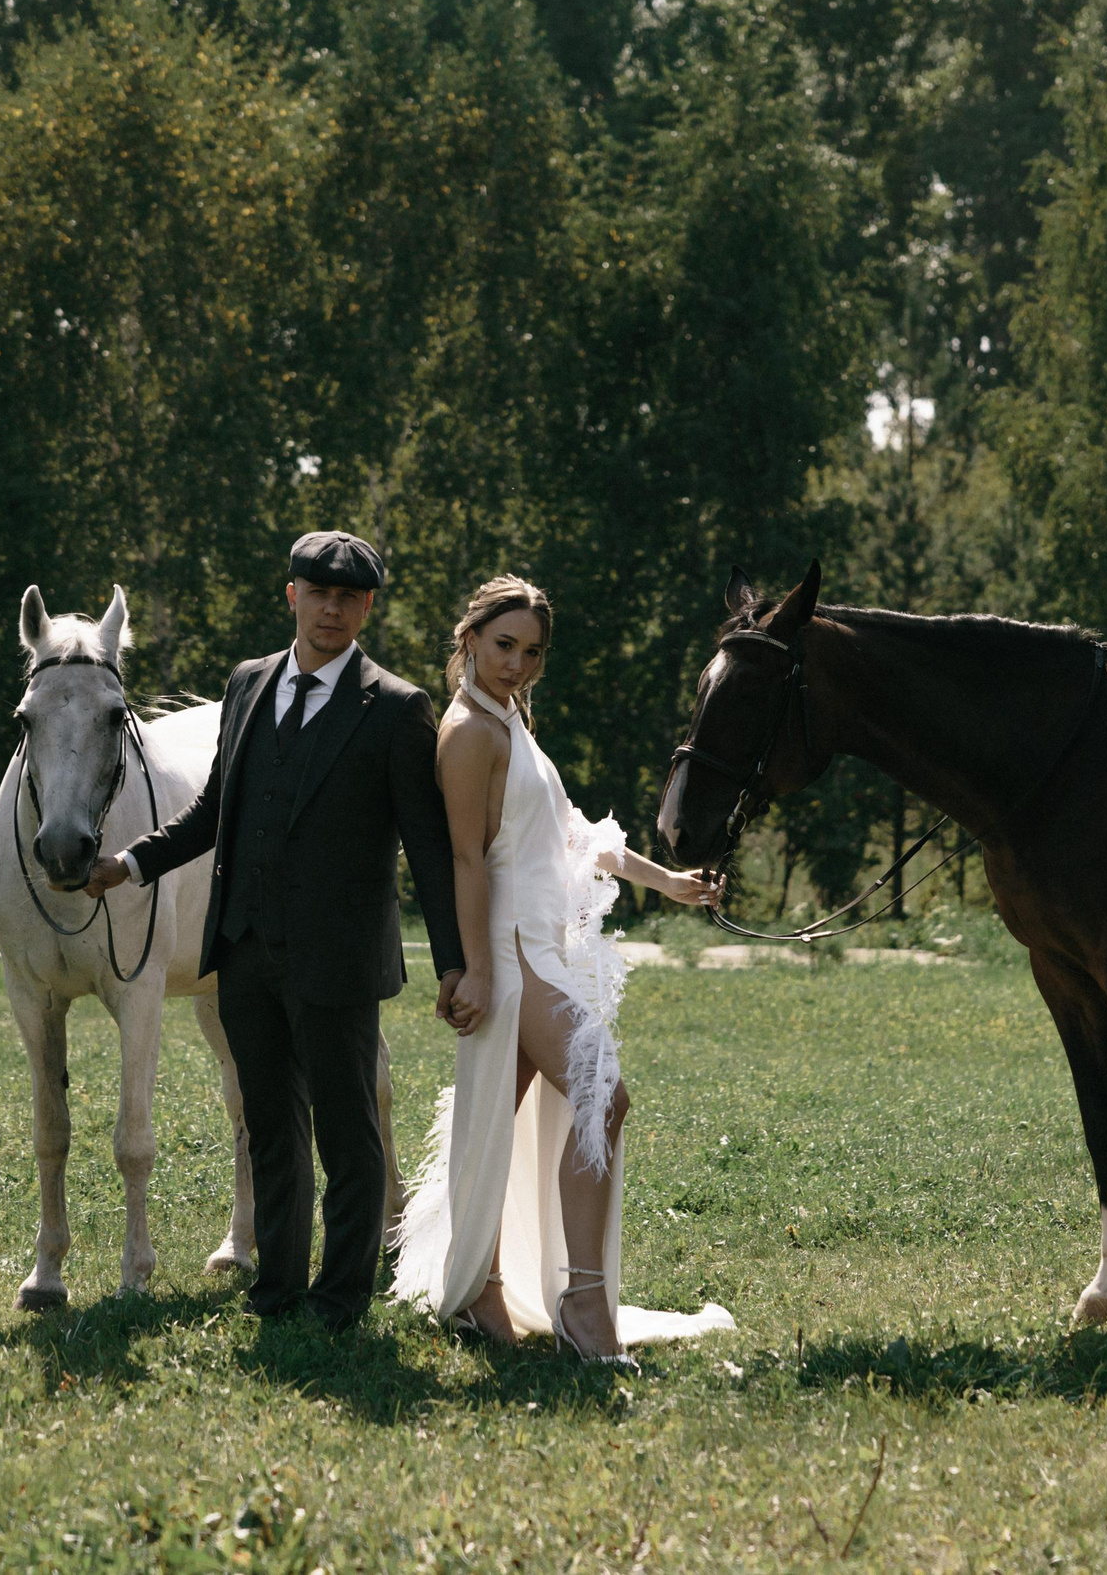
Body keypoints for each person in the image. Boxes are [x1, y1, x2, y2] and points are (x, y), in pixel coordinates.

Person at [82, 532, 464, 1332]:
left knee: (348, 1137)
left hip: (340, 958)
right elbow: (216, 804)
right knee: (270, 1127)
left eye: (349, 596)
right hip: (245, 952)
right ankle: (278, 1289)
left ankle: (340, 1299)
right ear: (291, 596)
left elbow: (430, 849)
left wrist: (454, 963)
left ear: (367, 606)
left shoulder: (396, 707)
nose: (333, 608)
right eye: (317, 592)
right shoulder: (248, 682)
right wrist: (133, 861)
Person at [391, 575, 735, 1362]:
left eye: (533, 651)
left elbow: (570, 834)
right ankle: (581, 1300)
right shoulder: (469, 731)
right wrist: (476, 970)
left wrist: (669, 882)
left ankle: (479, 1283)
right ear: (470, 638)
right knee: (601, 1096)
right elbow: (466, 860)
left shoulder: (510, 717)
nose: (518, 664)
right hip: (513, 954)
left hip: (543, 947)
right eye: (504, 645)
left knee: (494, 1129)